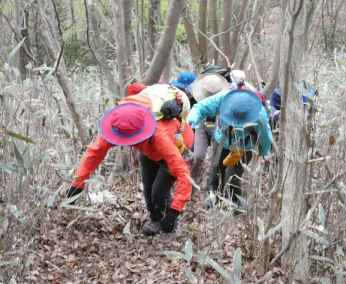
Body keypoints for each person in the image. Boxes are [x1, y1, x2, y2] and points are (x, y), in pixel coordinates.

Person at [66, 90, 194, 236]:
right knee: (148, 189)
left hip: (176, 145)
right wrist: (76, 186)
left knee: (158, 192)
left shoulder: (160, 135)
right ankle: (155, 220)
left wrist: (174, 211)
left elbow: (183, 173)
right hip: (148, 149)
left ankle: (168, 227)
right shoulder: (118, 123)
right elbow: (93, 154)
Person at [187, 89, 273, 210]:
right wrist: (192, 119)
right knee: (216, 168)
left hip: (243, 146)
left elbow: (265, 135)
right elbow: (201, 107)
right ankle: (213, 196)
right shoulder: (224, 97)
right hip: (222, 138)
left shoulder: (259, 113)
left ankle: (234, 202)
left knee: (232, 175)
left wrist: (265, 152)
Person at [186, 74, 231, 183]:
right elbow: (194, 111)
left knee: (216, 160)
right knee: (198, 156)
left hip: (219, 125)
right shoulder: (193, 95)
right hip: (201, 125)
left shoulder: (226, 98)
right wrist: (191, 122)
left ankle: (212, 186)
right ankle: (192, 183)